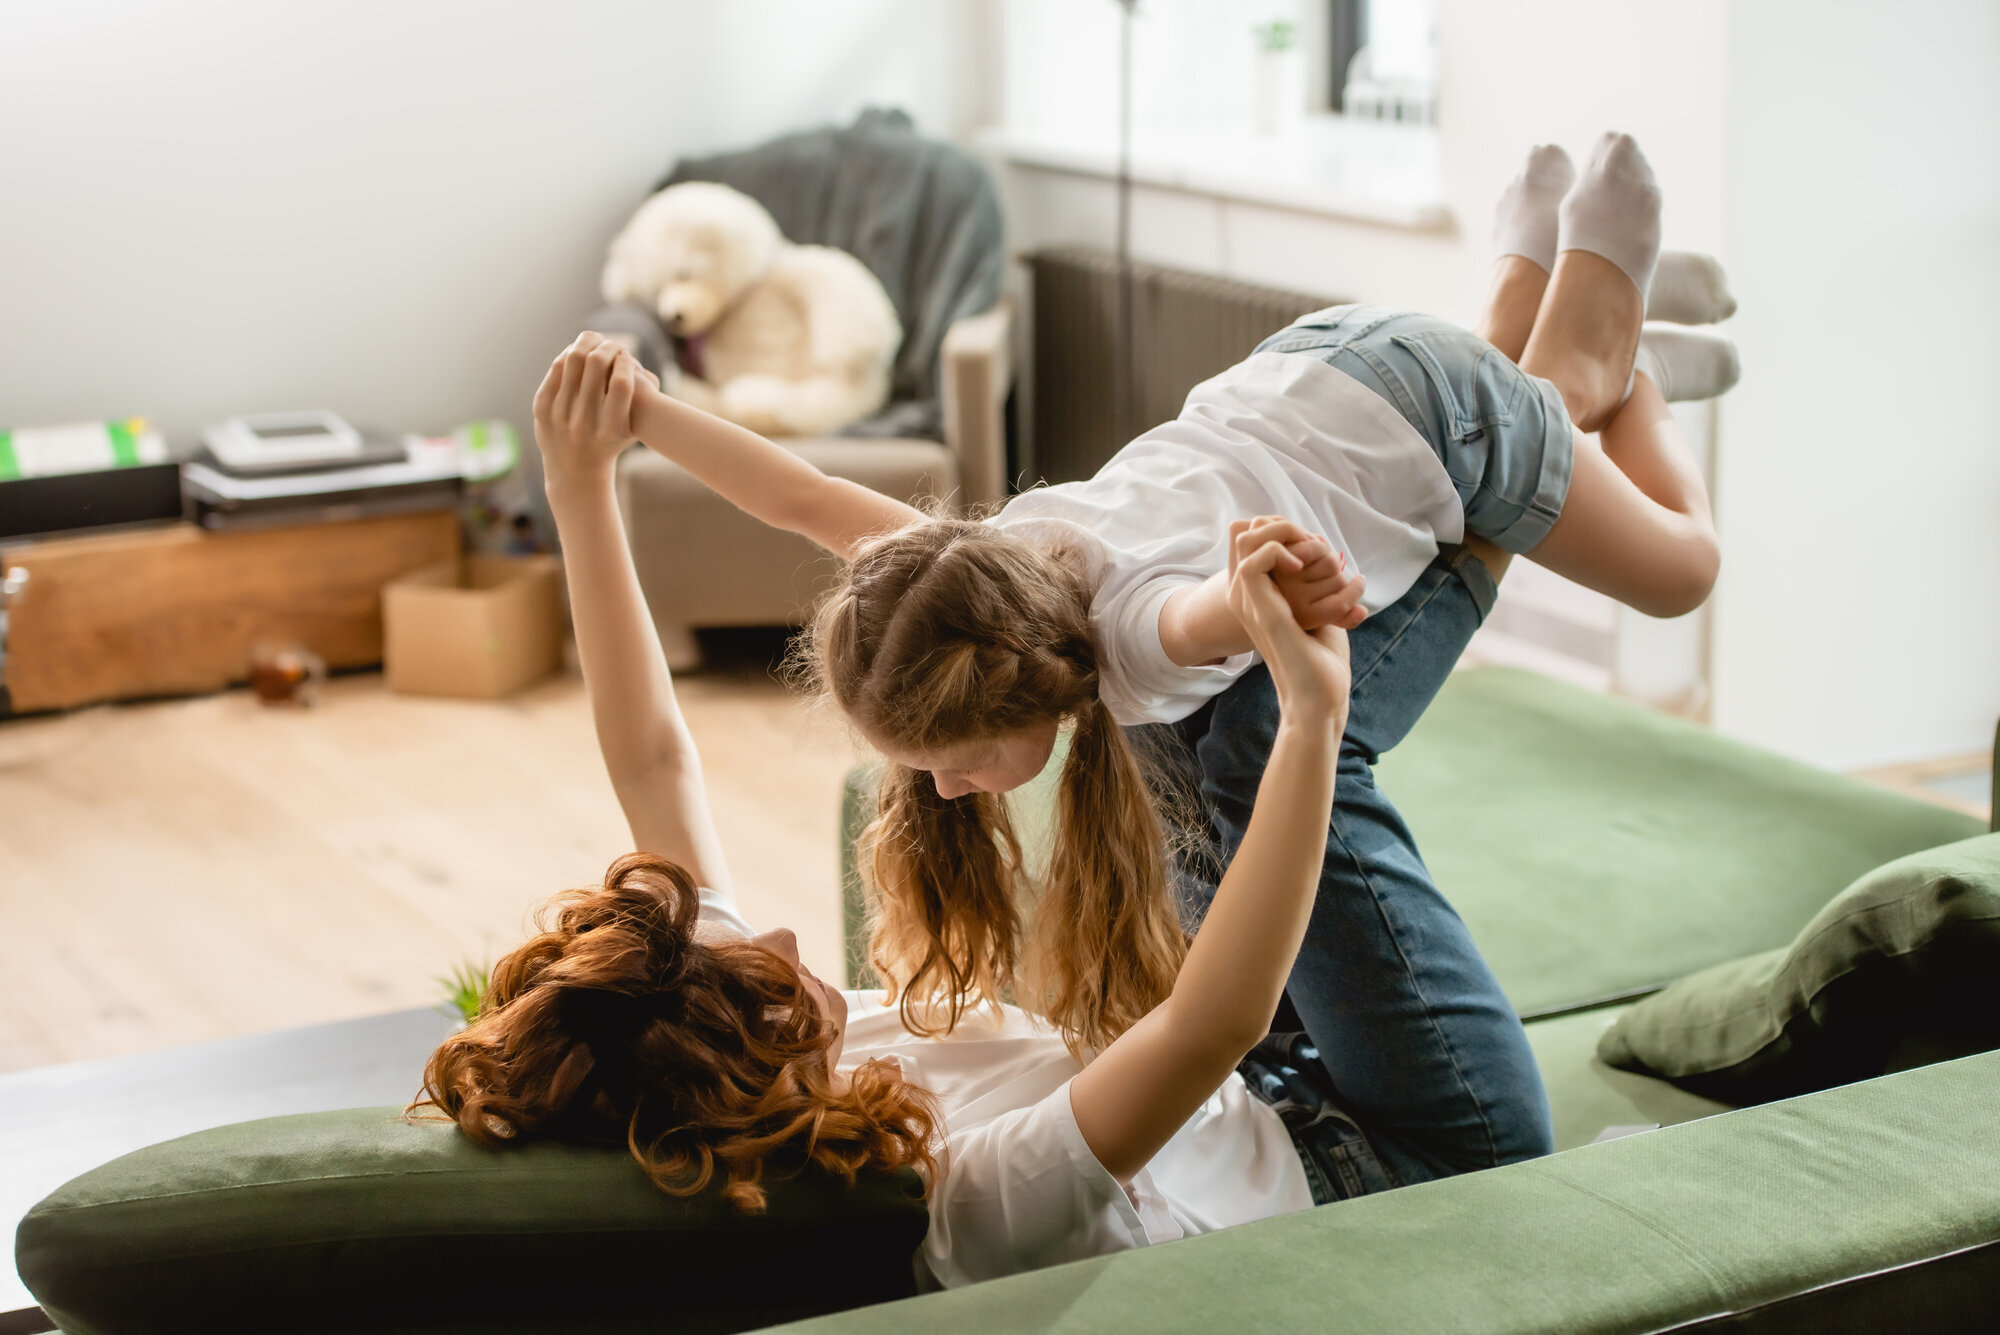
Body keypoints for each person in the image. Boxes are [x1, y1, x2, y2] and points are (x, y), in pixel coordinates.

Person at [578, 134, 1728, 1190]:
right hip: (1319, 372)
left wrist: (1258, 599)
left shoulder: (1133, 637)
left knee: (1669, 559)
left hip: (1423, 414)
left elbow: (1195, 622)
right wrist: (642, 418)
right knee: (1217, 728)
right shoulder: (976, 573)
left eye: (958, 760)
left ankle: (1605, 336)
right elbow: (805, 496)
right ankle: (1533, 291)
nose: (942, 789)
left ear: (1017, 689)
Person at [416, 335, 1360, 1286]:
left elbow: (655, 761)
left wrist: (580, 484)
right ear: (756, 1082)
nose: (780, 937)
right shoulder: (961, 1198)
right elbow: (1209, 1025)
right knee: (1250, 718)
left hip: (1249, 1088)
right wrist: (1315, 715)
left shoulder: (727, 1036)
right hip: (1344, 1158)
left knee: (1128, 676)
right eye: (765, 984)